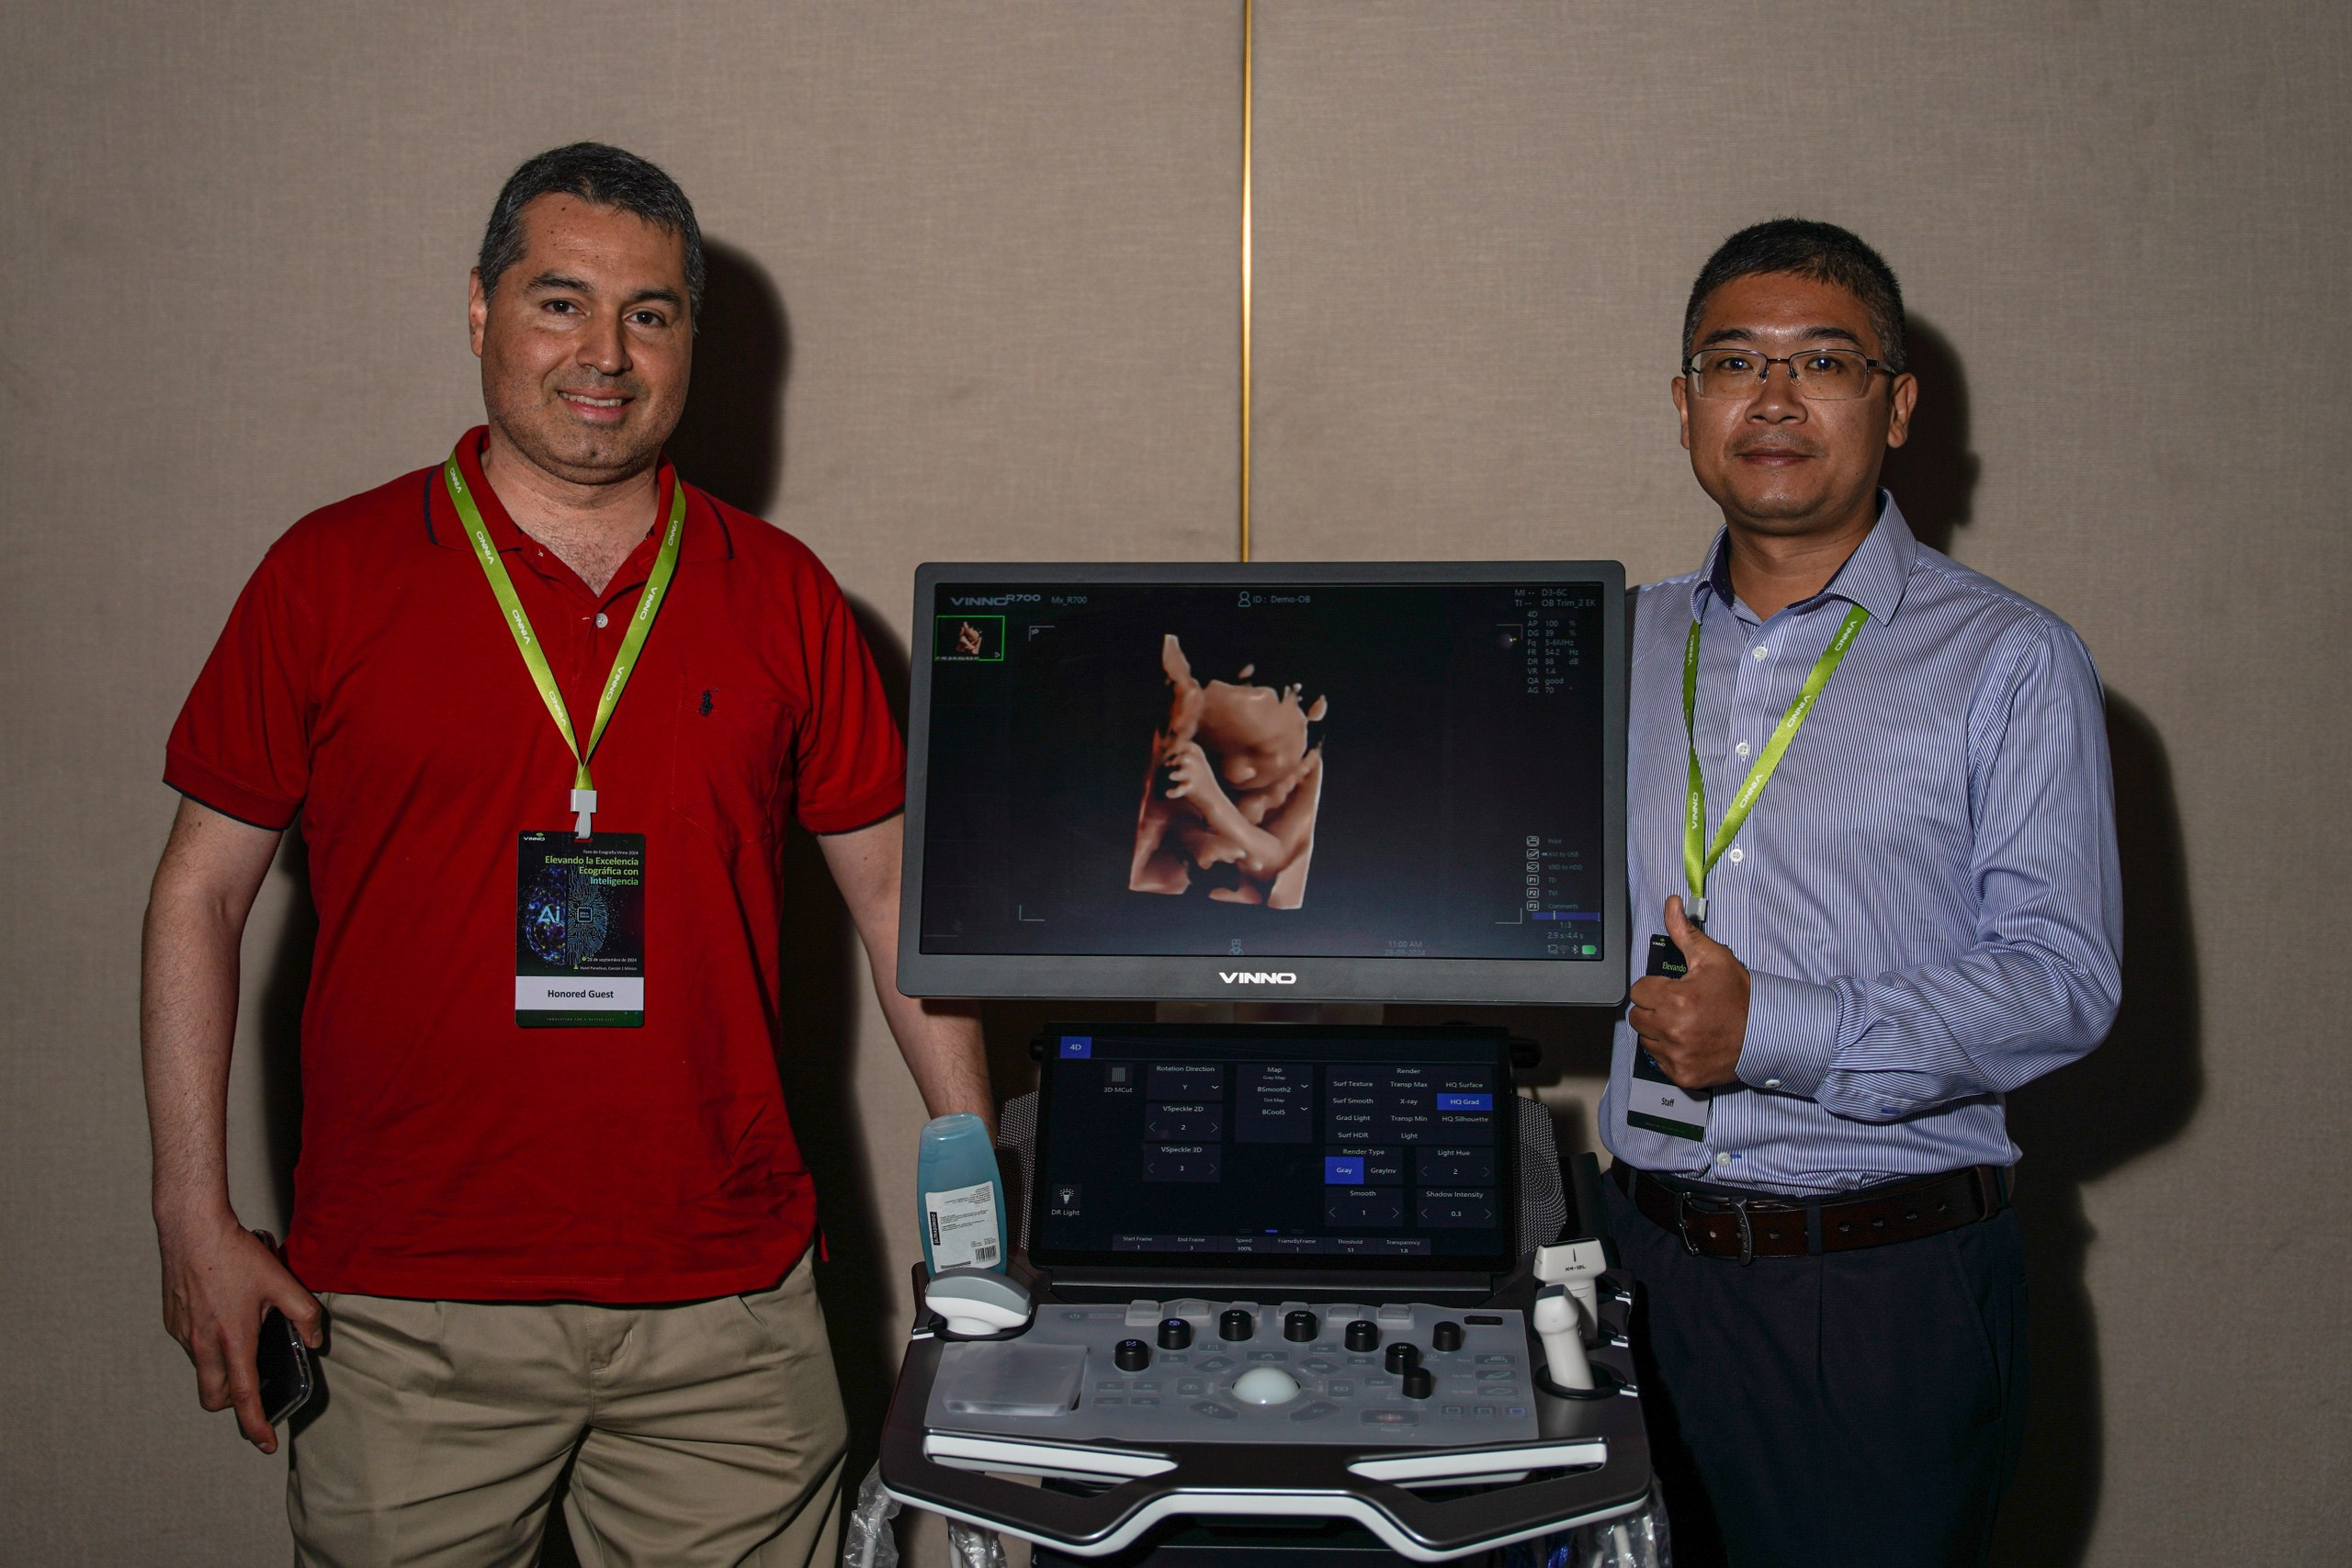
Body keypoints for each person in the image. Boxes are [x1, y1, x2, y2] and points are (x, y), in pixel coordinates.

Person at [141, 142, 990, 1567]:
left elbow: (900, 902)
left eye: (649, 313)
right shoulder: (327, 575)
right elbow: (199, 893)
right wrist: (191, 1210)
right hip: (408, 1310)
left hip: (727, 1313)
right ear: (479, 312)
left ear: (692, 341)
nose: (604, 354)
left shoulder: (783, 599)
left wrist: (975, 1231)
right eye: (560, 302)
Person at [1602, 219, 2120, 1566]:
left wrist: (1773, 1025)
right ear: (1684, 408)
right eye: (1733, 363)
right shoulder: (1611, 642)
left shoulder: (2011, 660)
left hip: (1876, 1291)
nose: (1771, 398)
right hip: (1632, 1269)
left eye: (1821, 361)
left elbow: (2063, 981)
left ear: (1895, 406)